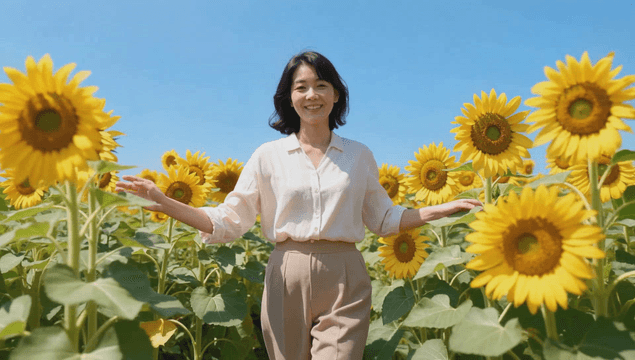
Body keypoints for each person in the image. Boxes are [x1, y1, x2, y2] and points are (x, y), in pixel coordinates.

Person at [116, 51, 481, 360]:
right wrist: (165, 203)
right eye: (301, 87)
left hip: (345, 274)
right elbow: (229, 220)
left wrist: (442, 209)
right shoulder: (267, 156)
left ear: (336, 94)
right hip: (285, 272)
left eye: (321, 85)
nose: (312, 95)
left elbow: (385, 218)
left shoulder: (358, 155)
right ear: (288, 98)